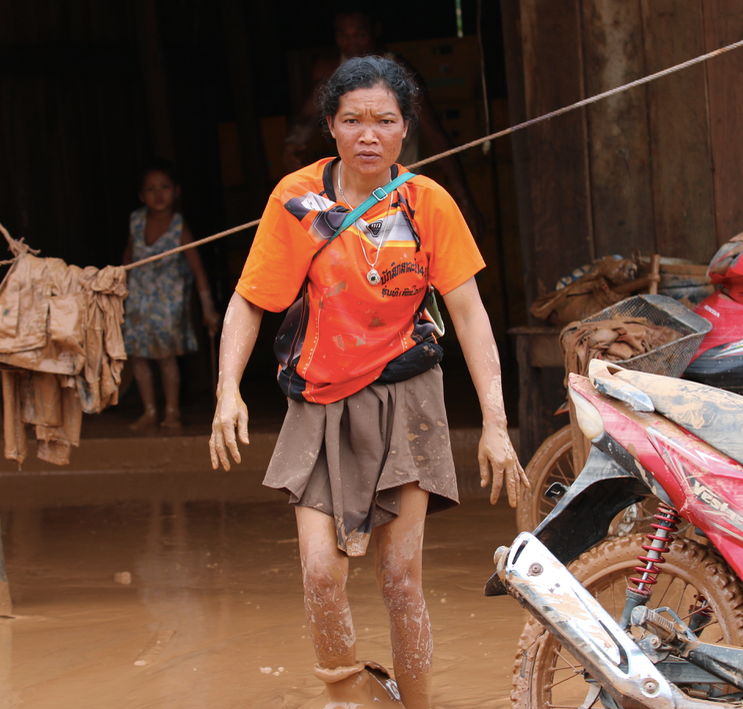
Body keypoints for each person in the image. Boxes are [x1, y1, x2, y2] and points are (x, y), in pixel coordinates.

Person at [209, 56, 525, 709]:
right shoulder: (297, 201)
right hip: (319, 399)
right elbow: (248, 299)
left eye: (384, 120)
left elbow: (469, 314)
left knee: (401, 578)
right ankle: (349, 698)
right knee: (321, 572)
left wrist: (495, 422)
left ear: (406, 129)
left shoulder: (428, 203)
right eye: (353, 119)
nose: (368, 134)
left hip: (407, 398)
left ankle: (418, 705)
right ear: (330, 126)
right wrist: (226, 391)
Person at [282, 9, 485, 238]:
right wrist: (292, 145)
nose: (351, 44)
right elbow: (307, 116)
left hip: (399, 186)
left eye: (359, 34)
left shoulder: (398, 73)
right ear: (331, 125)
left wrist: (465, 198)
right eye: (343, 35)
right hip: (354, 193)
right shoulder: (330, 68)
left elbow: (435, 133)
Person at [122, 161, 219, 430]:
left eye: (164, 187)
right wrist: (118, 288)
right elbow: (129, 254)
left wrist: (208, 308)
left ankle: (172, 411)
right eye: (151, 189)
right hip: (139, 302)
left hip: (168, 304)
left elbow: (198, 270)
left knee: (166, 358)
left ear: (176, 191)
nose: (158, 194)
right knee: (139, 357)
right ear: (142, 196)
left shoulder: (179, 227)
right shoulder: (136, 220)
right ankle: (150, 411)